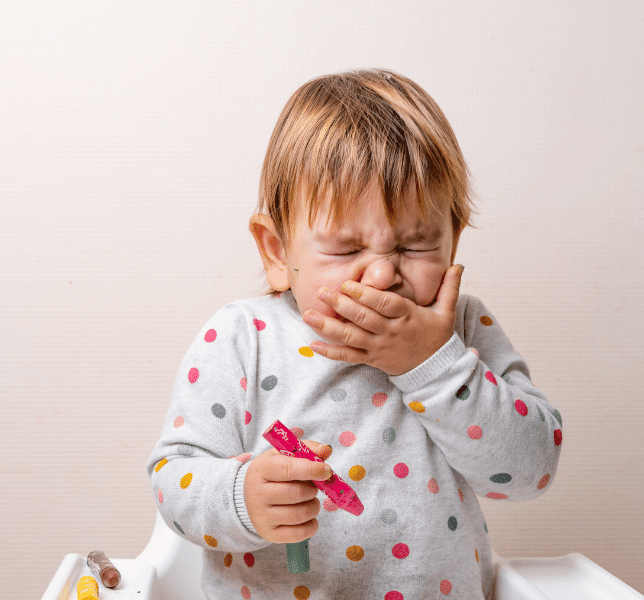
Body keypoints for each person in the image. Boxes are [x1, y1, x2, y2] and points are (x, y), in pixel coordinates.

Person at [147, 69, 562, 600]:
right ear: (277, 252)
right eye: (344, 250)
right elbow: (173, 479)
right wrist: (242, 496)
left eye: (415, 246)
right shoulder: (241, 338)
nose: (382, 275)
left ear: (453, 240)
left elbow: (531, 471)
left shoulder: (459, 328)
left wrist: (433, 365)